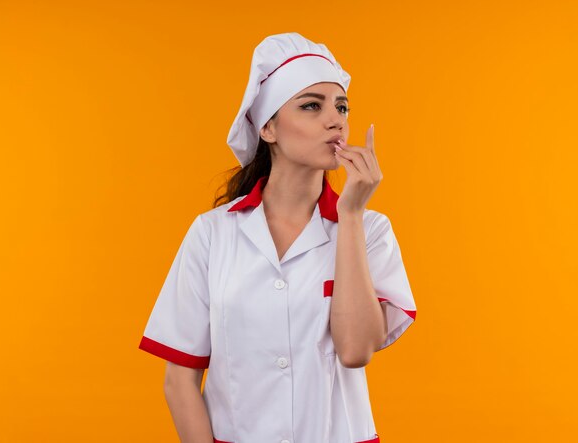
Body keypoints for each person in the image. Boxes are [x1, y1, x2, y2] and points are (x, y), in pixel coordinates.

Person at [139, 32, 417, 443]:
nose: (336, 120)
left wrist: (352, 215)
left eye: (342, 107)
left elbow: (356, 350)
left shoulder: (369, 230)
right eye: (311, 106)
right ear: (268, 127)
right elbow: (179, 381)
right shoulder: (213, 234)